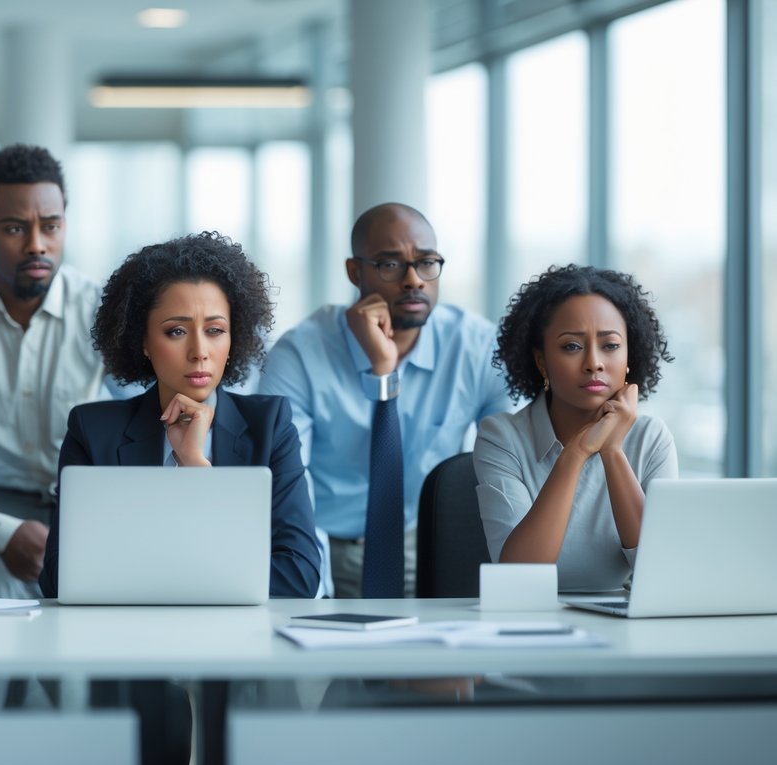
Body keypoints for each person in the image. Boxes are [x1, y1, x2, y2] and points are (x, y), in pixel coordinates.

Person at [40, 231, 322, 600]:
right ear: (142, 341)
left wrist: (195, 467)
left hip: (240, 645)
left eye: (215, 331)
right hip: (126, 641)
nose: (200, 351)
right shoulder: (93, 430)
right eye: (176, 331)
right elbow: (61, 578)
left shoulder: (270, 426)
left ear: (233, 338)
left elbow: (299, 577)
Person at [258, 202, 512, 598]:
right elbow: (285, 480)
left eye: (427, 262)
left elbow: (514, 460)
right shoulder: (300, 355)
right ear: (354, 272)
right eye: (391, 265)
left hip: (428, 545)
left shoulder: (476, 347)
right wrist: (382, 370)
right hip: (323, 548)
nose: (414, 280)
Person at [0, 144, 118, 599]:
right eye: (15, 228)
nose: (37, 244)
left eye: (50, 227)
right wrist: (0, 531)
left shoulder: (106, 313)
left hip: (95, 503)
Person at [475, 265, 677, 592]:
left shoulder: (651, 439)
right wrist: (577, 452)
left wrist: (612, 451)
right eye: (571, 346)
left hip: (623, 628)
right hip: (529, 625)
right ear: (542, 361)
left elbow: (663, 572)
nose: (594, 363)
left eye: (610, 345)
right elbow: (519, 578)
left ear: (629, 357)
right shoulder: (502, 437)